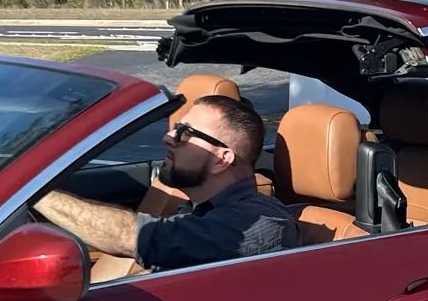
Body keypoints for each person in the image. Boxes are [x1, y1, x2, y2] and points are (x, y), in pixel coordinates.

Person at [35, 94, 299, 272]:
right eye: (175, 128)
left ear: (222, 159)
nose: (169, 137)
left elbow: (132, 237)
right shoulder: (200, 210)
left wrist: (34, 192)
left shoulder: (258, 222)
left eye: (186, 133)